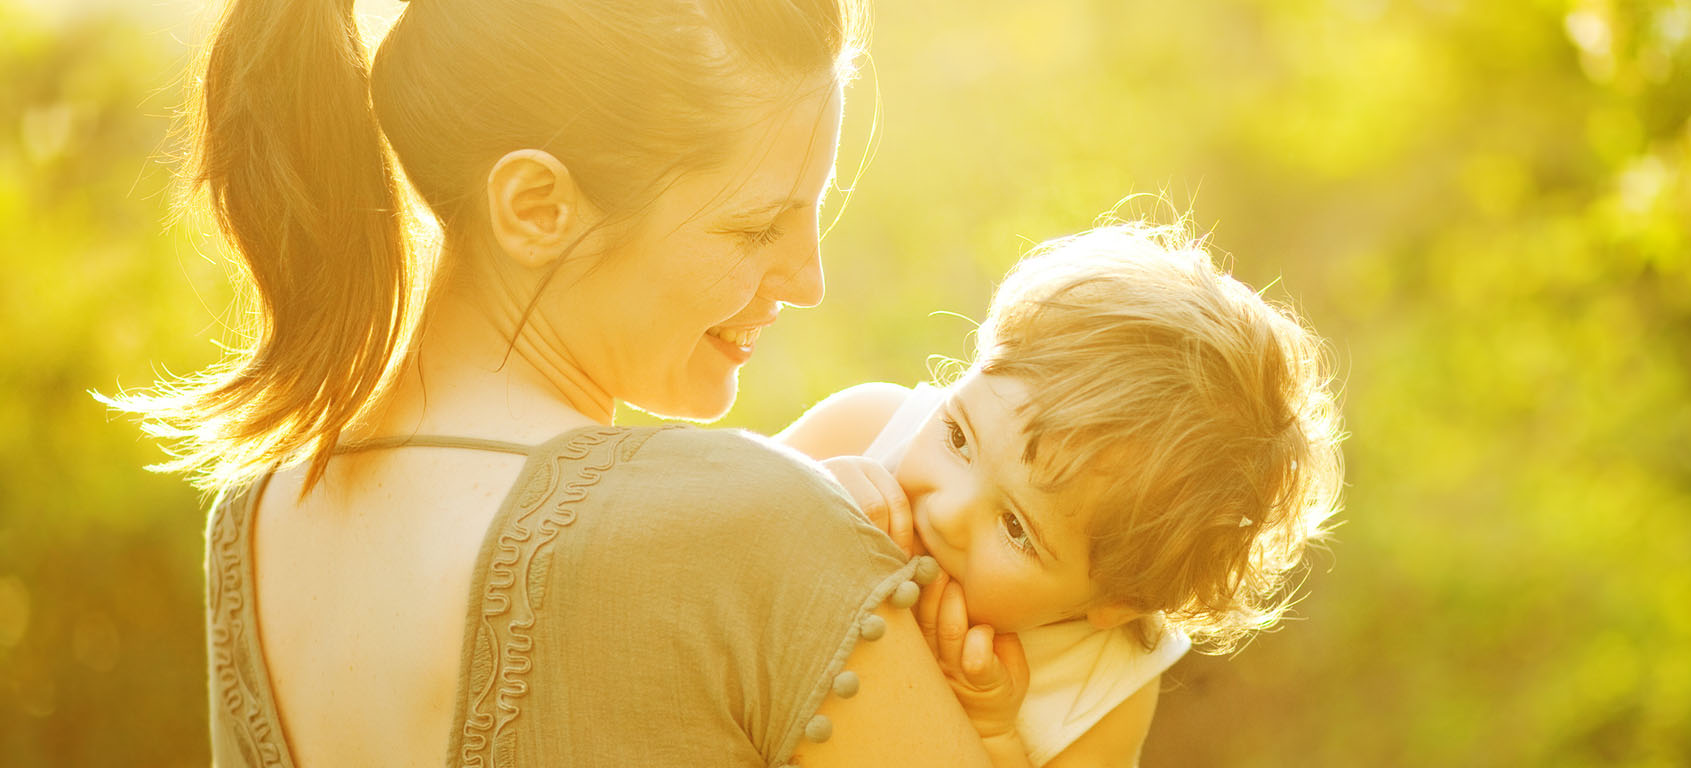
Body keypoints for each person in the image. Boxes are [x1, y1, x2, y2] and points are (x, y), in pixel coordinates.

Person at [105, 0, 1003, 764]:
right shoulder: (759, 527)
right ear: (536, 208)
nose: (808, 282)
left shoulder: (257, 521)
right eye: (754, 230)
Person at [775, 219, 1345, 767]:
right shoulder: (866, 431)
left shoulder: (1101, 683)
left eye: (1016, 527)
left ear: (1116, 601)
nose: (946, 510)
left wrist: (991, 731)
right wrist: (800, 502)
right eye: (957, 437)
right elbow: (697, 521)